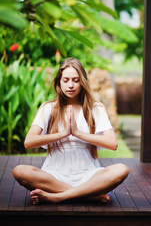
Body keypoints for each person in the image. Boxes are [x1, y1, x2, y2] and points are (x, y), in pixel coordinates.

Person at [12, 57, 129, 204]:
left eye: (76, 80)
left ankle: (59, 196)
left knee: (121, 169)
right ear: (59, 81)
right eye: (66, 80)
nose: (71, 85)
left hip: (89, 176)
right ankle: (87, 195)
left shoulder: (95, 108)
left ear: (83, 82)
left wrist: (78, 133)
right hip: (54, 175)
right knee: (20, 171)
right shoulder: (48, 108)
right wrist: (63, 133)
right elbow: (29, 142)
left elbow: (112, 143)